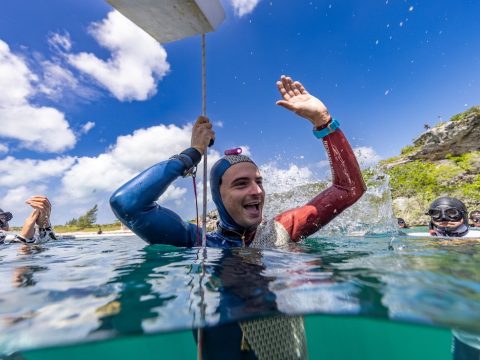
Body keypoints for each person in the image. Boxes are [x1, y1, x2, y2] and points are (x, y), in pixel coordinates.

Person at [110, 75, 366, 359]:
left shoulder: (280, 231)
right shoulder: (197, 241)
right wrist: (192, 155)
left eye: (259, 181)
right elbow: (127, 204)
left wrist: (324, 123)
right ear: (218, 196)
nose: (256, 190)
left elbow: (349, 189)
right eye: (241, 184)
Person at [424, 196, 480, 358]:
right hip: (464, 335)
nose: (443, 219)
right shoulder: (426, 239)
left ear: (463, 215)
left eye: (451, 213)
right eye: (436, 214)